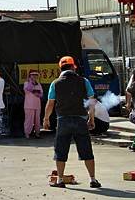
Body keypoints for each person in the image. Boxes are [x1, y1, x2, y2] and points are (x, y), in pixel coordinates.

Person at [43, 56, 101, 189]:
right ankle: (93, 179)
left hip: (63, 120)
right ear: (73, 67)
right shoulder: (84, 81)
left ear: (60, 68)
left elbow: (50, 104)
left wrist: (46, 119)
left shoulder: (55, 83)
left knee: (61, 150)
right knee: (86, 150)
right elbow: (92, 101)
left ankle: (60, 180)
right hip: (80, 120)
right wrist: (91, 119)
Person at [23, 70, 43, 139]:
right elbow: (28, 89)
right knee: (29, 120)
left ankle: (37, 133)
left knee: (37, 120)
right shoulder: (26, 83)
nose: (34, 76)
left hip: (37, 105)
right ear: (30, 76)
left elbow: (41, 94)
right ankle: (27, 133)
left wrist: (38, 94)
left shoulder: (38, 84)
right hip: (29, 105)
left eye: (36, 75)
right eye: (33, 75)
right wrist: (31, 82)